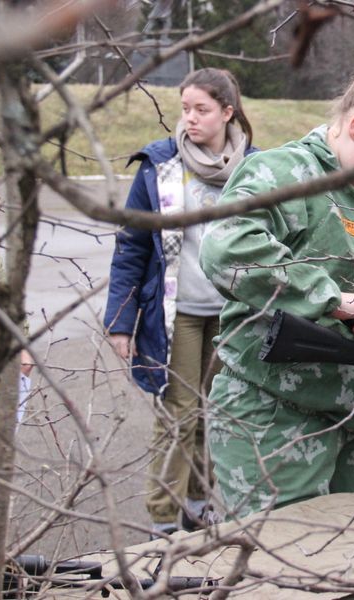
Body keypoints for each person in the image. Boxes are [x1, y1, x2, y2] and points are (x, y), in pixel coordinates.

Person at [200, 58, 354, 519]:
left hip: (344, 423)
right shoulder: (285, 174)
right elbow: (226, 248)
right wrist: (328, 299)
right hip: (272, 424)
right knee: (280, 576)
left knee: (350, 567)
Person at [103, 67, 257, 538]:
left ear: (227, 112)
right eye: (185, 108)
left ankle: (197, 502)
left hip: (235, 313)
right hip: (180, 315)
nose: (189, 118)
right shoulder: (160, 166)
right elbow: (132, 246)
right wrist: (121, 321)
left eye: (201, 109)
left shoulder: (257, 168)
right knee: (179, 413)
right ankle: (163, 518)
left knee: (221, 412)